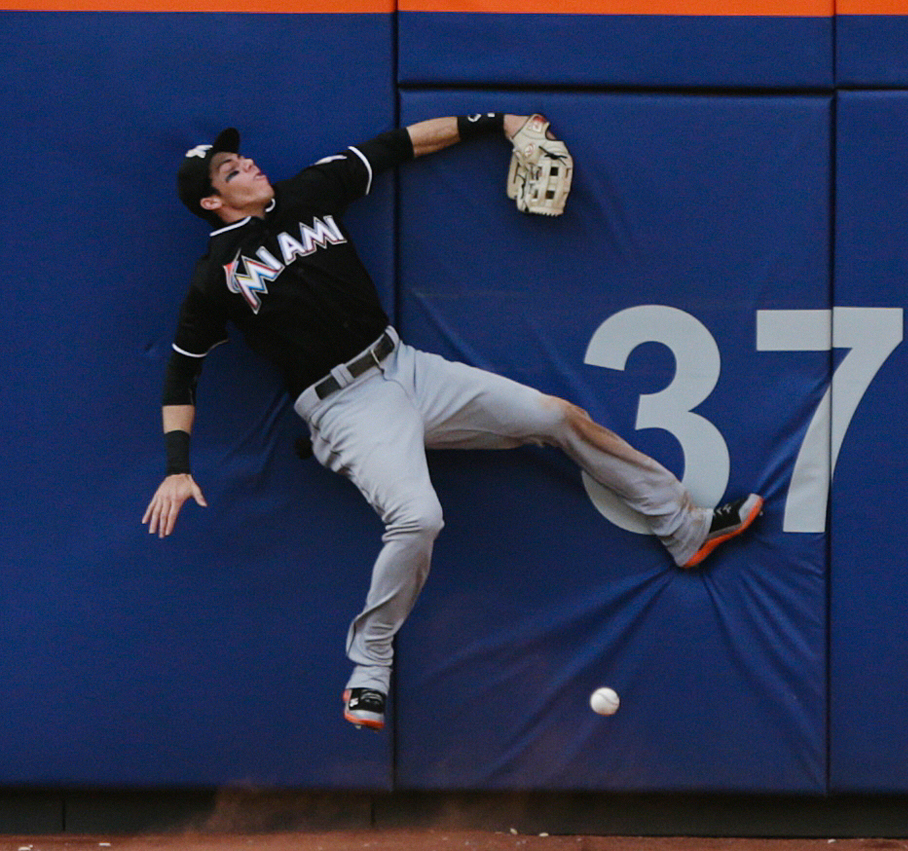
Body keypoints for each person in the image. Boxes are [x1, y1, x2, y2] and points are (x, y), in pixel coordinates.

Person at [143, 114, 763, 732]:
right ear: (212, 201)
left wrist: (497, 123)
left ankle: (683, 527)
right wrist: (177, 467)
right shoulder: (214, 278)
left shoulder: (310, 188)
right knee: (418, 517)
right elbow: (182, 372)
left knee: (557, 415)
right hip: (344, 407)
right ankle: (370, 665)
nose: (247, 165)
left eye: (241, 159)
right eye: (230, 170)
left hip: (407, 366)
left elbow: (399, 145)